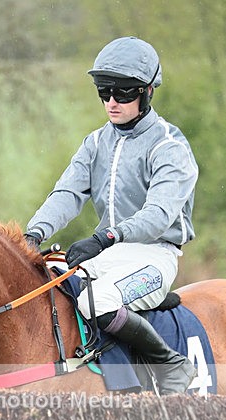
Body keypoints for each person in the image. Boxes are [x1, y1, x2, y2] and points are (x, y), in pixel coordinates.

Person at [25, 36, 199, 395]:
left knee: (95, 300)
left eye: (123, 93)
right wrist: (33, 234)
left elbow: (159, 214)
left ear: (148, 92)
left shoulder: (170, 146)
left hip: (155, 256)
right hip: (110, 256)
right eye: (104, 92)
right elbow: (67, 194)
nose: (111, 102)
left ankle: (170, 363)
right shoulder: (95, 142)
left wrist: (106, 236)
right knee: (48, 282)